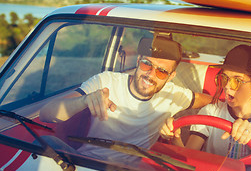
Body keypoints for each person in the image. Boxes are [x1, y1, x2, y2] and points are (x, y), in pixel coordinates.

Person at [40, 36, 212, 162]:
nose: (150, 74)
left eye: (161, 71)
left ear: (171, 76)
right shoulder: (106, 81)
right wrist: (84, 101)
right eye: (147, 64)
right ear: (138, 61)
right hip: (84, 163)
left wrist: (238, 117)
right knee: (45, 142)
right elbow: (46, 114)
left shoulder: (174, 95)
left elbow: (208, 101)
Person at [160, 44, 251, 168]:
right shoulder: (211, 111)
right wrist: (175, 138)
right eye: (224, 78)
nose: (226, 86)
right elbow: (189, 157)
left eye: (236, 81)